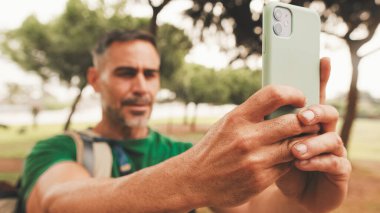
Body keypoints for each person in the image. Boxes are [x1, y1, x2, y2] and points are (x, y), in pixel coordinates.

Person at [20, 30, 351, 213]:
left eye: (150, 74)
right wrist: (193, 178)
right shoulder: (59, 148)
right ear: (94, 79)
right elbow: (57, 202)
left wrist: (306, 202)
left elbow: (250, 210)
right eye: (125, 73)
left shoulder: (179, 151)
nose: (140, 86)